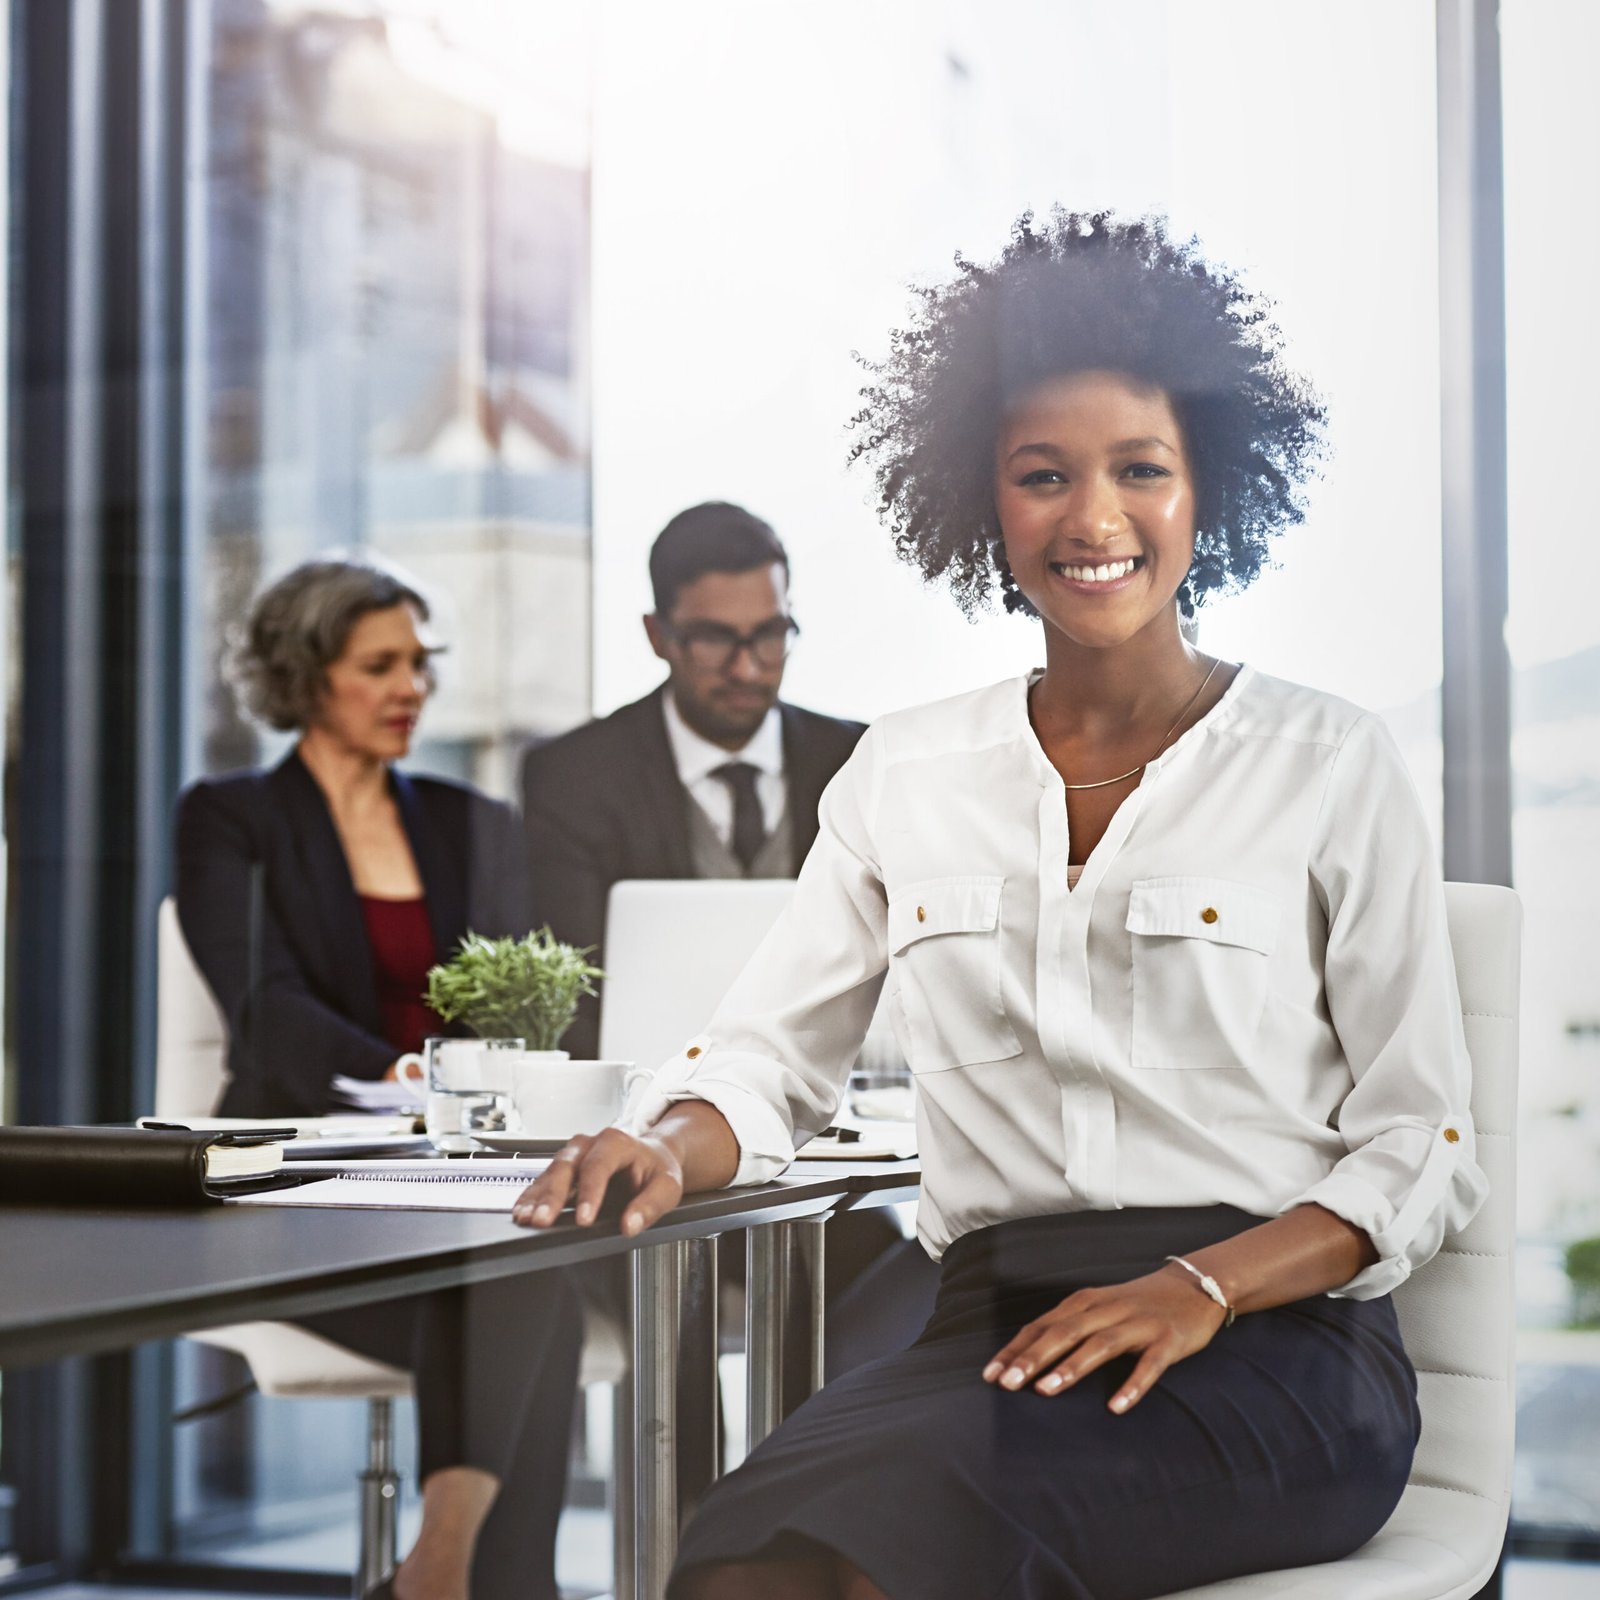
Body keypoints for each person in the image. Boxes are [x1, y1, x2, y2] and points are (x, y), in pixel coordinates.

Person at [512, 211, 1490, 1600]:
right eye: (1044, 476)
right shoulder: (907, 771)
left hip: (1272, 1343)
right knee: (734, 1564)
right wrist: (669, 1142)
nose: (1093, 519)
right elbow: (768, 1057)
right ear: (985, 505)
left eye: (1139, 470)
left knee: (895, 1564)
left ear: (1205, 489)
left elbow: (1422, 1142)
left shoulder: (1328, 761)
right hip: (987, 1334)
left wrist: (1203, 1285)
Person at [175, 556, 580, 1600]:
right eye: (381, 664)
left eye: (422, 662)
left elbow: (518, 998)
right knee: (534, 1290)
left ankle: (432, 1569)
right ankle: (463, 1577)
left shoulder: (470, 822)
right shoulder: (231, 820)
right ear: (307, 677)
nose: (413, 687)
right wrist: (405, 1069)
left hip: (456, 1189)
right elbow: (263, 1008)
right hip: (304, 1191)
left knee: (516, 1268)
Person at [521, 501, 924, 1350]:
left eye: (771, 634)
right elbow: (576, 991)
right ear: (658, 633)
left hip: (817, 1136)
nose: (749, 667)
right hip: (646, 1137)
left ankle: (803, 1476)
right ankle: (701, 1484)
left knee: (892, 1295)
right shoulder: (576, 775)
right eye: (716, 640)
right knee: (666, 1279)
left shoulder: (858, 761)